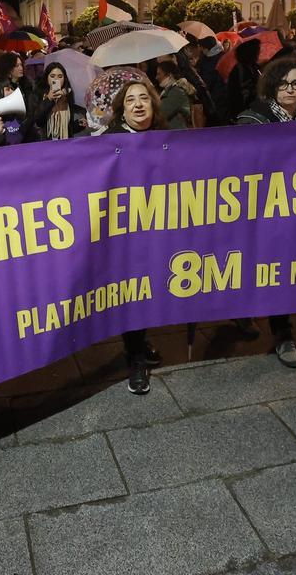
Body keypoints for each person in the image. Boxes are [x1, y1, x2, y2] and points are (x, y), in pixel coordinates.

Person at [235, 56, 296, 365]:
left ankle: (281, 334)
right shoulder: (253, 119)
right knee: (260, 268)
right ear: (272, 88)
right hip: (262, 210)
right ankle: (256, 320)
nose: (290, 90)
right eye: (283, 84)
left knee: (279, 272)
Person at [104, 81, 167, 394]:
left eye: (145, 98)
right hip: (126, 237)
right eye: (131, 100)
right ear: (122, 109)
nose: (139, 104)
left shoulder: (170, 138)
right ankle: (136, 356)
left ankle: (141, 344)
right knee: (133, 292)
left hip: (162, 227)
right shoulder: (108, 143)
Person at [31, 62, 88, 140]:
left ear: (64, 79)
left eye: (60, 76)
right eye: (52, 76)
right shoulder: (39, 94)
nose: (56, 79)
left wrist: (78, 124)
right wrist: (49, 99)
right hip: (46, 142)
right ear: (47, 78)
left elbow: (68, 126)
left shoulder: (67, 95)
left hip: (65, 142)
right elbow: (38, 121)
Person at [155, 59, 192, 129]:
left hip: (177, 134)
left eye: (159, 74)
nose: (156, 77)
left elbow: (160, 115)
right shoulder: (169, 91)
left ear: (169, 75)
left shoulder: (176, 92)